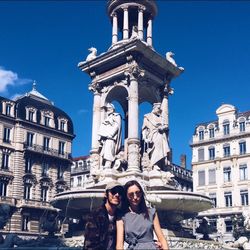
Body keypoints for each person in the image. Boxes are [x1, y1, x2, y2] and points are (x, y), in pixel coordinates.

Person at [116, 180, 169, 250]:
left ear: (141, 193)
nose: (135, 197)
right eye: (131, 194)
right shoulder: (122, 216)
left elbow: (162, 238)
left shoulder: (151, 212)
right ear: (126, 196)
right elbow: (119, 245)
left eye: (137, 193)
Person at [83, 181, 124, 250]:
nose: (117, 194)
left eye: (120, 192)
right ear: (105, 194)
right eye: (113, 192)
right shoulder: (94, 215)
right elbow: (90, 246)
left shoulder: (121, 215)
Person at [142, 103, 170, 170]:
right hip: (152, 135)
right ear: (154, 108)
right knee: (155, 149)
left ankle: (157, 164)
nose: (159, 110)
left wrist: (163, 128)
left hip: (160, 135)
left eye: (160, 109)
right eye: (158, 108)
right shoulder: (148, 116)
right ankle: (154, 164)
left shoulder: (160, 118)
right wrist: (145, 137)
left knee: (160, 149)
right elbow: (144, 128)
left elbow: (166, 127)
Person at [98, 103, 122, 169]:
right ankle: (105, 163)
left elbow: (117, 126)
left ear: (113, 109)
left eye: (109, 108)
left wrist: (111, 134)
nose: (108, 109)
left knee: (109, 149)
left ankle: (108, 163)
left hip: (111, 137)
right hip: (105, 137)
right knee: (104, 150)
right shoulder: (107, 118)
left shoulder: (117, 116)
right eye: (107, 108)